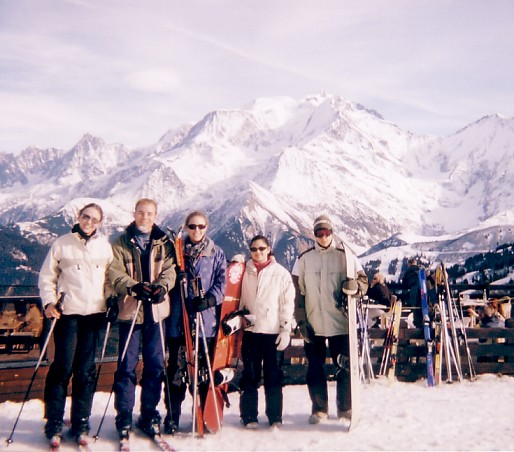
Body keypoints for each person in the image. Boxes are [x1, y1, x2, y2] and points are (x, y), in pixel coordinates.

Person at [38, 203, 113, 441]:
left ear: (100, 222)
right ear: (78, 217)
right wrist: (49, 302)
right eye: (86, 217)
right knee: (62, 368)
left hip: (94, 315)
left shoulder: (104, 246)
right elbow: (47, 277)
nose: (89, 222)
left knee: (86, 371)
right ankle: (54, 421)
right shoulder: (62, 244)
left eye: (94, 219)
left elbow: (111, 278)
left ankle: (81, 421)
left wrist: (111, 298)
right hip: (67, 314)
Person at [108, 198, 176, 440]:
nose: (144, 217)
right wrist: (133, 286)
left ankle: (149, 413)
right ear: (134, 213)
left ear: (155, 215)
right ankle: (124, 414)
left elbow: (170, 270)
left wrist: (162, 287)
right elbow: (115, 272)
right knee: (126, 366)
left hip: (156, 312)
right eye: (141, 212)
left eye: (149, 213)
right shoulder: (121, 242)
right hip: (131, 311)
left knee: (155, 365)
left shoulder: (164, 242)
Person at [292, 215, 368, 424]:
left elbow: (363, 281)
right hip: (313, 323)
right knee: (314, 367)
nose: (323, 237)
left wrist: (356, 287)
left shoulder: (346, 257)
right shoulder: (304, 259)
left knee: (344, 366)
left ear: (332, 233)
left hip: (340, 322)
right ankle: (319, 409)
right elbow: (297, 294)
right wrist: (301, 321)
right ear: (314, 234)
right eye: (319, 233)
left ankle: (345, 407)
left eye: (327, 232)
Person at [164, 210, 226, 434]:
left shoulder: (216, 253)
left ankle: (202, 415)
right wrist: (175, 279)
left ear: (207, 227)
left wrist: (210, 299)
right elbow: (163, 276)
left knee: (202, 374)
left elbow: (222, 282)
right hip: (179, 321)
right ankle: (172, 416)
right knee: (176, 372)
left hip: (204, 322)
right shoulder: (177, 252)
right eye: (192, 226)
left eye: (201, 226)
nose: (196, 230)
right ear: (187, 228)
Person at [238, 235, 295, 429]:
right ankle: (249, 416)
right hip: (251, 331)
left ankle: (275, 416)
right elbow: (236, 297)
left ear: (269, 249)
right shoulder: (244, 271)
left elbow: (287, 303)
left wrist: (285, 328)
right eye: (254, 249)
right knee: (250, 375)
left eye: (262, 248)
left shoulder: (280, 273)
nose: (258, 253)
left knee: (274, 375)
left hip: (272, 332)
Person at [401, 258, 422, 328]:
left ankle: (417, 324)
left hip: (413, 291)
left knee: (414, 307)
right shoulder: (420, 270)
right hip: (422, 290)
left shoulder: (408, 271)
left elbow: (404, 284)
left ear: (409, 264)